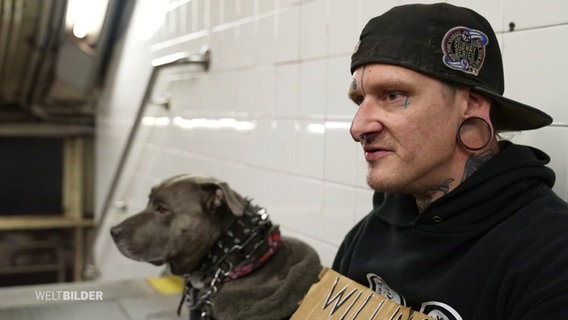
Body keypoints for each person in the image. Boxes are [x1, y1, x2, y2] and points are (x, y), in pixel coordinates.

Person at [332, 3, 568, 319]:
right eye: (360, 100)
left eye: (392, 95)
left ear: (470, 103)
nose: (358, 127)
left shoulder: (551, 256)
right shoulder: (371, 233)